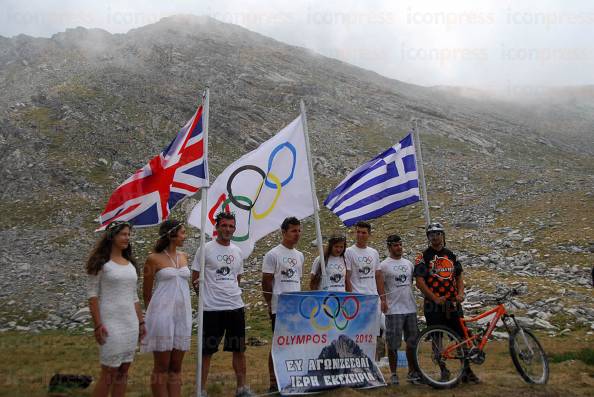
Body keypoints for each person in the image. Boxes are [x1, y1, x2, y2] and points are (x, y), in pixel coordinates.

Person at [191, 212, 254, 397]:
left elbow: (237, 278)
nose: (227, 229)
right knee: (206, 352)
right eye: (224, 225)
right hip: (211, 309)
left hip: (235, 306)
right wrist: (206, 298)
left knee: (239, 349)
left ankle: (241, 388)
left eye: (231, 226)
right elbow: (195, 279)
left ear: (234, 229)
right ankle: (200, 391)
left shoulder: (237, 251)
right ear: (217, 227)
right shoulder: (205, 249)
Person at [414, 222, 479, 384]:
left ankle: (466, 370)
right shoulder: (422, 257)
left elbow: (459, 276)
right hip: (433, 305)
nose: (435, 237)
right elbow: (420, 281)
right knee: (437, 338)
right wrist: (434, 297)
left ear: (443, 235)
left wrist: (461, 293)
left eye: (438, 233)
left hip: (452, 303)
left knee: (461, 337)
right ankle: (443, 369)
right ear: (428, 238)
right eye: (431, 234)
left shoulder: (451, 255)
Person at [86, 220, 145, 397]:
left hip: (130, 324)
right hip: (110, 322)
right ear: (112, 236)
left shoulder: (130, 263)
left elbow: (134, 296)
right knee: (109, 372)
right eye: (123, 234)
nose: (127, 238)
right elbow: (92, 295)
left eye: (129, 234)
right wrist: (97, 325)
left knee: (124, 371)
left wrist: (141, 322)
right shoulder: (100, 263)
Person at [141, 220, 192, 397]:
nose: (185, 236)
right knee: (162, 366)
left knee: (176, 366)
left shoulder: (184, 256)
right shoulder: (153, 258)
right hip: (161, 314)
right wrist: (151, 316)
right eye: (183, 233)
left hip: (182, 314)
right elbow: (146, 293)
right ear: (172, 234)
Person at [262, 217, 304, 392]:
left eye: (299, 230)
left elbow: (298, 280)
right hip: (280, 307)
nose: (297, 234)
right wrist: (271, 303)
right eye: (293, 231)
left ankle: (292, 377)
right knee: (278, 345)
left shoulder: (300, 255)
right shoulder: (273, 254)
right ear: (284, 232)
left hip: (297, 307)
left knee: (295, 344)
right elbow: (266, 282)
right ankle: (273, 382)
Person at [379, 234, 423, 386]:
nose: (399, 248)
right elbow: (380, 285)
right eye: (396, 245)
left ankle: (412, 372)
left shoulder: (409, 264)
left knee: (412, 342)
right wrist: (383, 301)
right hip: (394, 310)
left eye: (400, 244)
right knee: (393, 344)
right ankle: (394, 373)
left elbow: (410, 283)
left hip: (410, 307)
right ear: (389, 247)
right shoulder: (383, 265)